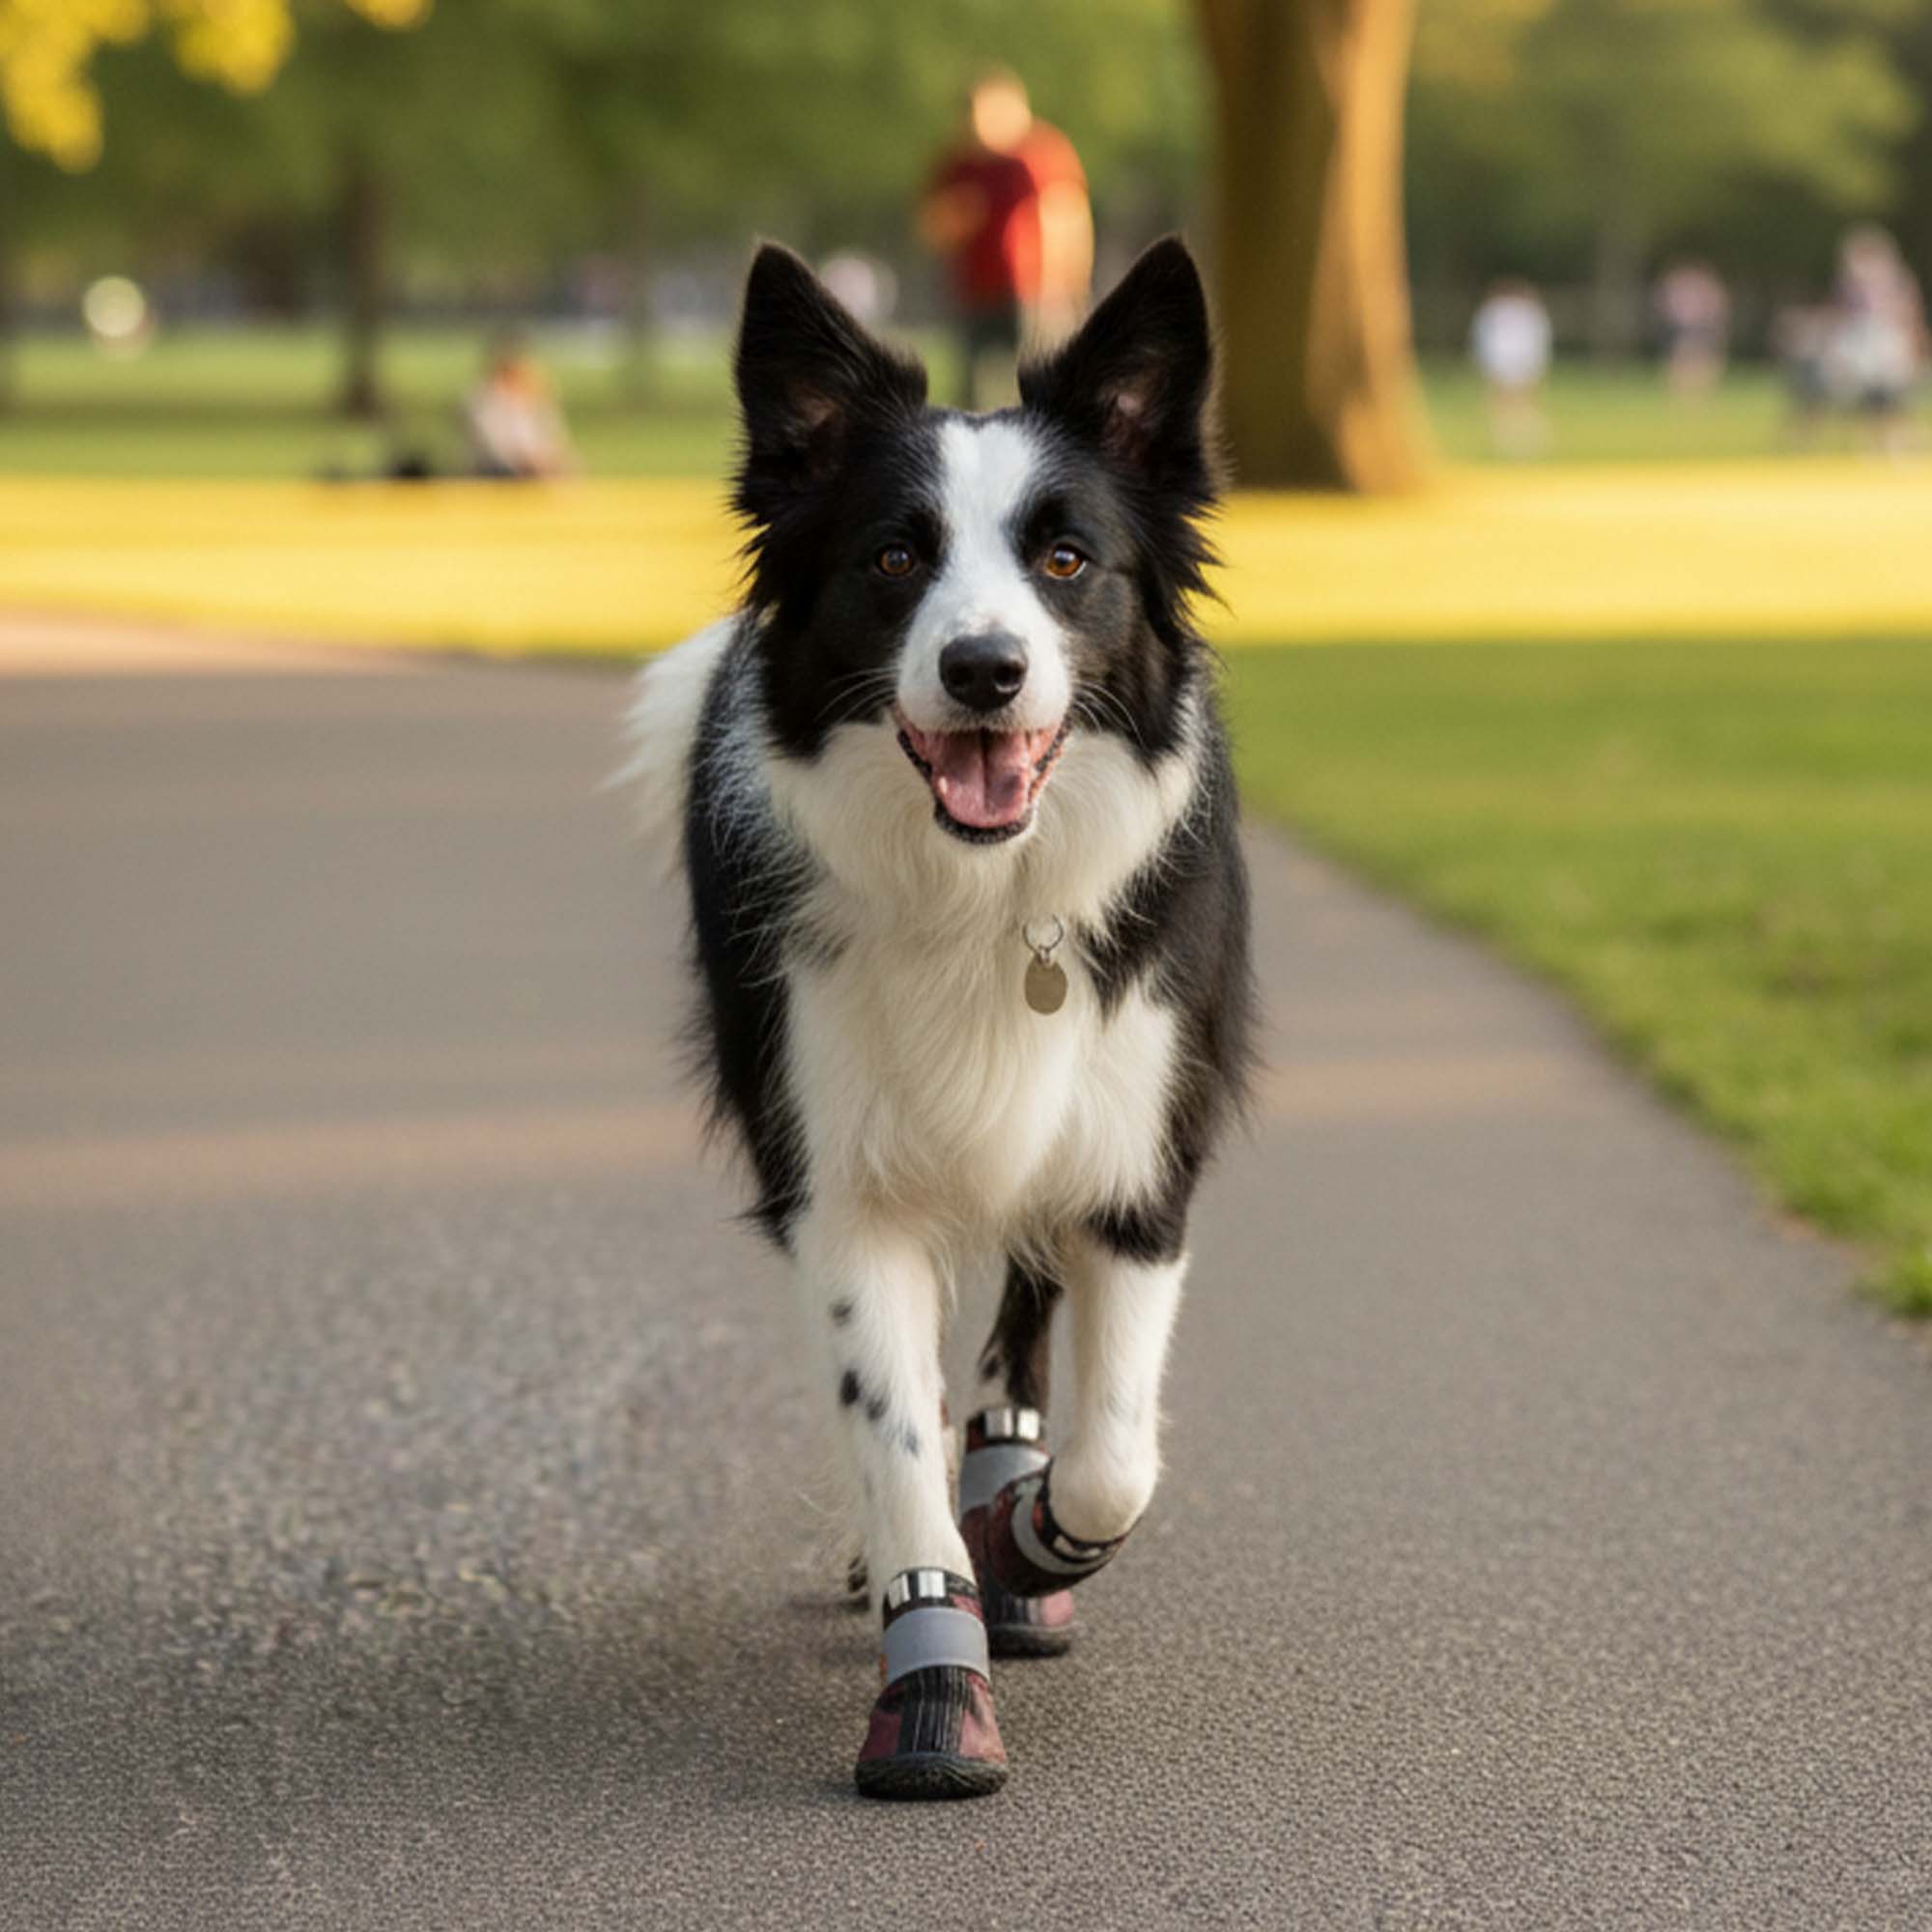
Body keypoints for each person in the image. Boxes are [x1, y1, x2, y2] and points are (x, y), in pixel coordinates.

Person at [919, 69, 1092, 406]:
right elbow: (931, 229)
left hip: (1031, 291)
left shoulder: (1038, 155)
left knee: (1039, 388)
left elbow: (1067, 219)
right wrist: (957, 215)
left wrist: (1066, 284)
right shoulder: (958, 163)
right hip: (974, 292)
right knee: (973, 385)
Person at [1824, 224, 1925, 452]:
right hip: (1861, 346)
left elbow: (1910, 315)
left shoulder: (1897, 283)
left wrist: (1915, 345)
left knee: (1893, 395)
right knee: (1869, 395)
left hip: (1887, 346)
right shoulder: (1848, 286)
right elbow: (1839, 318)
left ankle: (1897, 439)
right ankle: (1872, 440)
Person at [463, 333, 578, 480]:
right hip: (500, 473)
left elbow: (555, 438)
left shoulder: (536, 397)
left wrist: (552, 459)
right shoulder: (483, 400)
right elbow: (494, 447)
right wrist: (528, 461)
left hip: (539, 469)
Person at [1469, 278, 1552, 457]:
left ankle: (1525, 435)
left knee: (1522, 399)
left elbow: (1537, 338)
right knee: (1502, 399)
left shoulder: (1526, 313)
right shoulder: (1494, 313)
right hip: (1504, 359)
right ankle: (1505, 435)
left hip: (1519, 359)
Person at [1652, 259, 1730, 398]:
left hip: (1701, 326)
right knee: (1681, 353)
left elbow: (1717, 305)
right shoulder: (1680, 285)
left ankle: (1700, 386)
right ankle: (1681, 386)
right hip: (1684, 327)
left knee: (1702, 354)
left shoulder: (1704, 287)